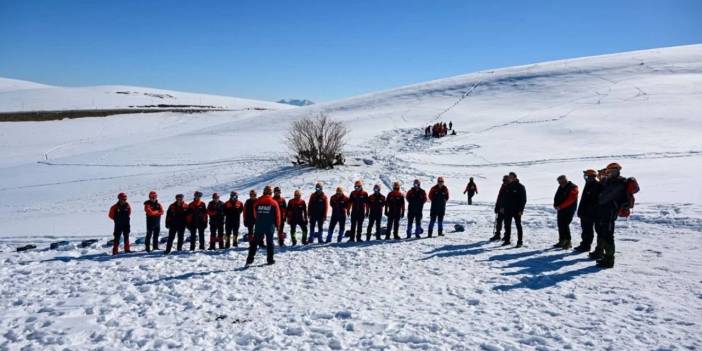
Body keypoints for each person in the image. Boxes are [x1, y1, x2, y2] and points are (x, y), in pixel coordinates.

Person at [593, 163, 629, 268]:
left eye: (612, 171)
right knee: (604, 234)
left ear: (618, 171)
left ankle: (609, 260)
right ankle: (605, 256)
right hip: (604, 211)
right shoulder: (610, 181)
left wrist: (600, 196)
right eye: (608, 171)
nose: (610, 173)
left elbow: (605, 197)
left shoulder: (619, 182)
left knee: (608, 236)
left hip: (610, 212)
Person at [245, 185, 281, 267]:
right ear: (271, 193)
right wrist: (277, 225)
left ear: (263, 192)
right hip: (269, 225)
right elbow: (277, 215)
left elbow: (255, 215)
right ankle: (270, 260)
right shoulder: (274, 202)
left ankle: (249, 260)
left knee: (254, 243)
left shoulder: (257, 202)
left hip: (259, 225)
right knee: (270, 243)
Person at [574, 170, 602, 253]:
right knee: (586, 230)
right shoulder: (588, 184)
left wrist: (589, 211)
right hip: (585, 213)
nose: (586, 178)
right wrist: (580, 211)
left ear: (593, 176)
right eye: (585, 176)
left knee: (589, 231)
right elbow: (583, 200)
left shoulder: (596, 185)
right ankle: (585, 245)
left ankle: (588, 246)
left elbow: (595, 201)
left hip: (591, 214)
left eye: (588, 176)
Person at [501, 172, 527, 247]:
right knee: (507, 225)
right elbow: (504, 198)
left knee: (518, 225)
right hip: (507, 209)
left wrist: (521, 210)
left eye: (511, 177)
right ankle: (507, 240)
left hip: (517, 210)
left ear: (515, 178)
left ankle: (519, 241)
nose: (510, 178)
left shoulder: (520, 187)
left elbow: (523, 199)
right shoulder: (507, 186)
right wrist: (502, 207)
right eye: (509, 177)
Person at [553, 175, 579, 249]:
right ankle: (562, 240)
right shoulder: (561, 186)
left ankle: (568, 242)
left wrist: (560, 206)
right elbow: (557, 196)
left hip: (569, 209)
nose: (560, 183)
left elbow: (571, 199)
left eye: (561, 181)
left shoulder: (573, 187)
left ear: (565, 180)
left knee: (565, 224)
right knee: (560, 224)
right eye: (559, 182)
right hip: (560, 209)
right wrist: (555, 205)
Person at [490, 175, 509, 241]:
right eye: (503, 180)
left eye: (505, 180)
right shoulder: (503, 186)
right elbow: (499, 197)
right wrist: (497, 206)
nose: (503, 181)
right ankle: (497, 234)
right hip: (500, 207)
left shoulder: (509, 187)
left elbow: (506, 199)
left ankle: (506, 236)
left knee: (506, 223)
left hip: (506, 208)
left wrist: (503, 207)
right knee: (499, 221)